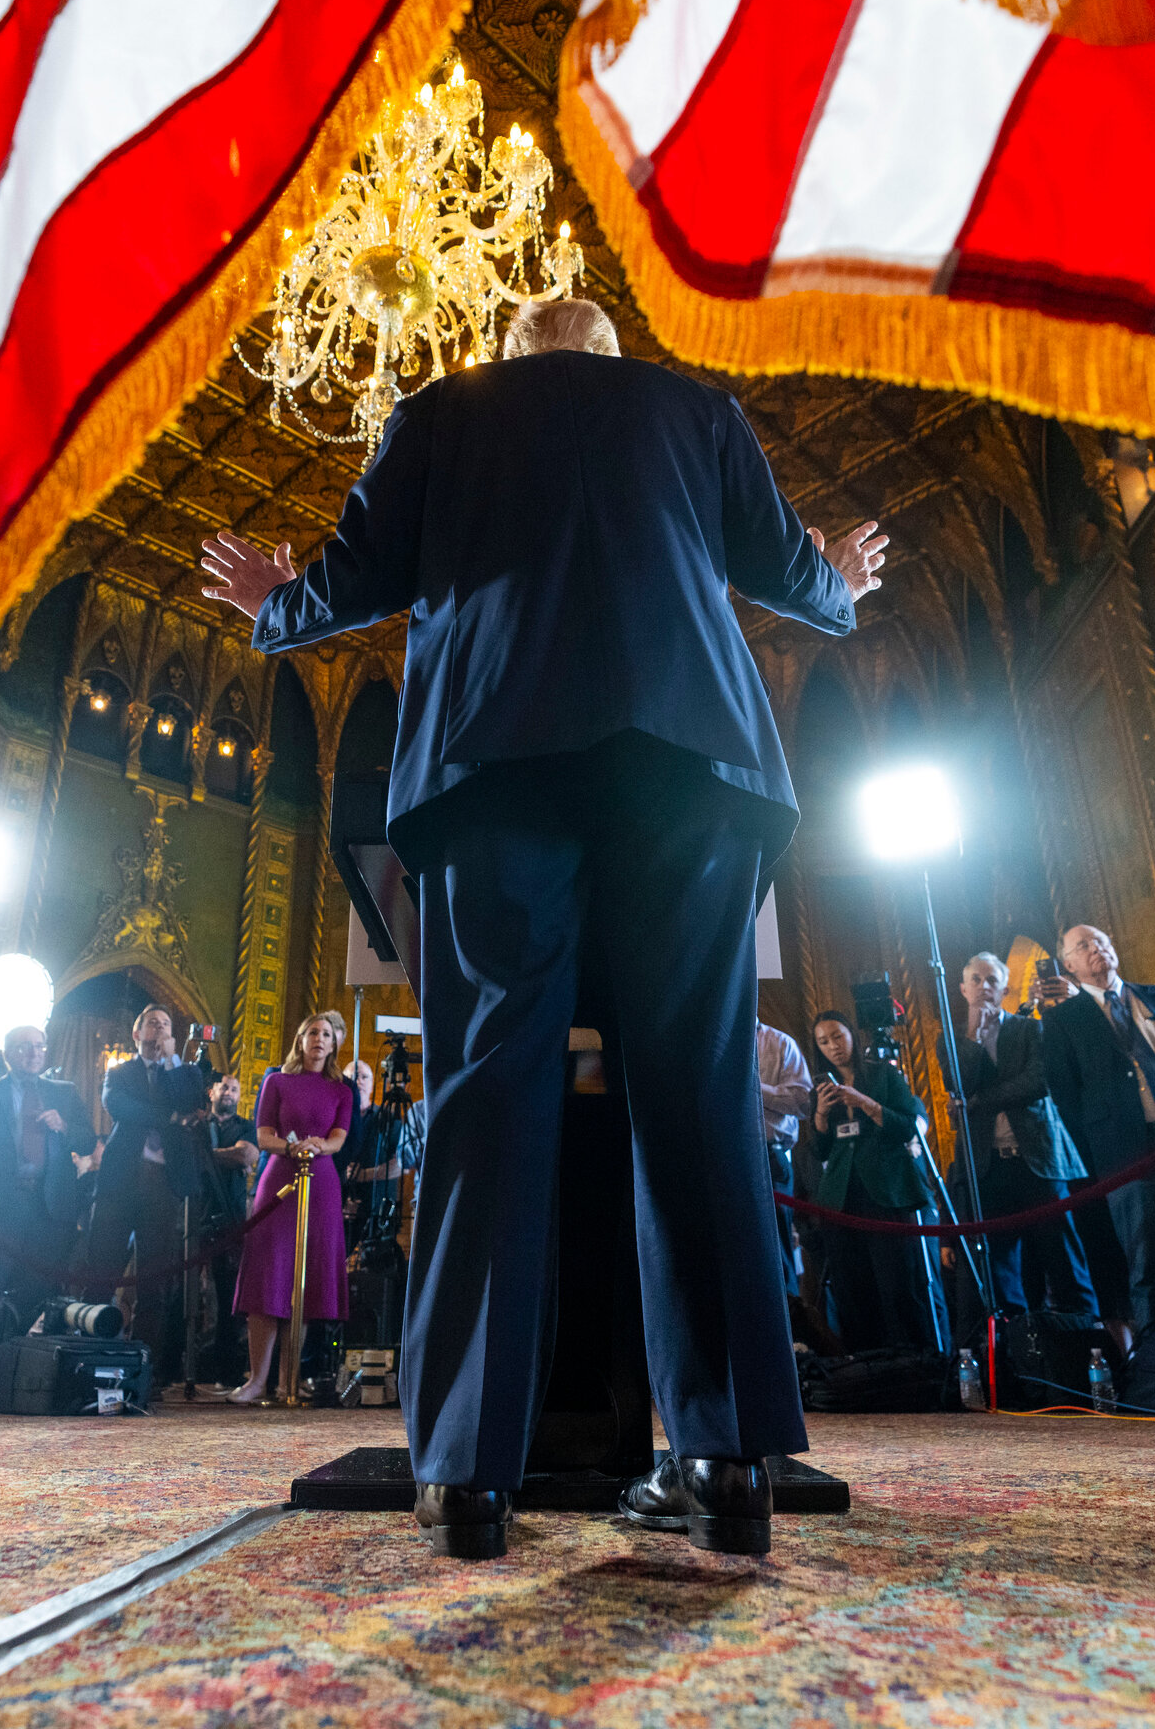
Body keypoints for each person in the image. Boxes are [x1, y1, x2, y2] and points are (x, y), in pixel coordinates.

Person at [202, 296, 881, 1558]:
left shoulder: (442, 412)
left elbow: (350, 581)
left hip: (495, 762)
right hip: (692, 772)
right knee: (697, 1097)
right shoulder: (695, 410)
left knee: (486, 1100)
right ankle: (730, 1461)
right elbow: (799, 578)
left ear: (511, 352)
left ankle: (465, 1470)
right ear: (609, 356)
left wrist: (272, 603)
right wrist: (841, 588)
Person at [1040, 925, 1155, 1332]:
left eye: (1101, 940)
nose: (1095, 949)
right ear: (1068, 964)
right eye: (1082, 946)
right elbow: (1066, 1098)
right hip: (1124, 1155)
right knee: (1147, 1267)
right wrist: (1099, 1158)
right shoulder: (1062, 1020)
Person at [946, 954, 1097, 1323]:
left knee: (1063, 1258)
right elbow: (958, 1084)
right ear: (963, 989)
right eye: (976, 980)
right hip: (988, 1166)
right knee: (999, 1269)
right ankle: (1017, 1355)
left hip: (1039, 1159)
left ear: (1005, 988)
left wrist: (978, 1101)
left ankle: (1085, 1342)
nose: (984, 987)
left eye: (992, 980)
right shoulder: (950, 1040)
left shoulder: (1030, 1029)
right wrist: (973, 1038)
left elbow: (1037, 1083)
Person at [229, 1013, 351, 1404]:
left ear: (334, 1045)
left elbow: (338, 1138)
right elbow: (263, 1135)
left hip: (322, 1185)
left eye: (326, 1034)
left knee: (304, 1282)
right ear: (301, 1040)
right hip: (280, 1180)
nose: (319, 1039)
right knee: (270, 1275)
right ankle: (256, 1381)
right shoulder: (276, 1081)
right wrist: (292, 1148)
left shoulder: (342, 1090)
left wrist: (316, 1147)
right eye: (312, 1032)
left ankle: (289, 1381)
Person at [807, 1011, 936, 1351]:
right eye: (824, 1042)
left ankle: (914, 1362)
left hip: (886, 1191)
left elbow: (908, 1126)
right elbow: (819, 1150)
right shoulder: (821, 1087)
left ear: (851, 1034)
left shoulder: (885, 1075)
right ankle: (866, 1368)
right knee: (852, 1288)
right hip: (840, 1197)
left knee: (897, 1285)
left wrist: (865, 1103)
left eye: (837, 1036)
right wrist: (820, 1113)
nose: (833, 1047)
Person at [91, 1006, 206, 1371]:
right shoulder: (120, 1072)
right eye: (152, 1023)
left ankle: (141, 1367)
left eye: (166, 1024)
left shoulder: (185, 1073)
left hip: (164, 1184)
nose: (159, 1028)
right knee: (101, 1270)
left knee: (154, 1279)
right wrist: (169, 1117)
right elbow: (120, 1107)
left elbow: (190, 1105)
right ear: (137, 1034)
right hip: (120, 1181)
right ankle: (92, 1355)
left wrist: (171, 1061)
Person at [0, 1024, 94, 1304]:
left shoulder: (65, 1093)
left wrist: (64, 1126)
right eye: (25, 1046)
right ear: (8, 1054)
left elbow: (88, 1141)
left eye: (40, 1046)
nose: (34, 1053)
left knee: (35, 1295)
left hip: (48, 1209)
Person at [195, 1069, 258, 1387]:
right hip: (193, 1213)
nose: (229, 1092)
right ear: (212, 1092)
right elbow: (189, 1157)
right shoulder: (198, 1124)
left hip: (230, 1218)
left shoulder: (246, 1126)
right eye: (224, 1087)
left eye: (235, 1088)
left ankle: (226, 1372)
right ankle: (175, 1368)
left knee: (227, 1295)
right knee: (184, 1293)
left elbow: (248, 1153)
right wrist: (228, 1157)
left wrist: (205, 1156)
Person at [757, 1021, 813, 1296]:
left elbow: (802, 1102)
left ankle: (793, 1328)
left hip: (770, 1155)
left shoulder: (780, 1043)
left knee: (778, 1247)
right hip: (719, 1157)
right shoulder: (709, 1038)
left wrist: (752, 1086)